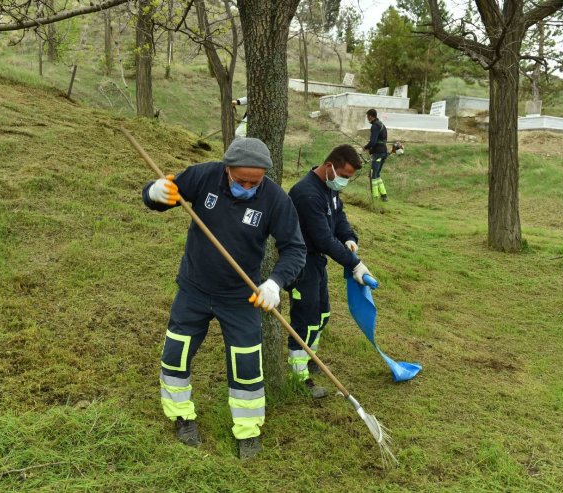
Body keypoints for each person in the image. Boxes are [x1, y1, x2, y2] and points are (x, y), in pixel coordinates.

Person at [142, 138, 306, 459]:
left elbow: (295, 248)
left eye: (254, 182)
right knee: (176, 353)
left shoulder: (274, 199)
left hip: (240, 297)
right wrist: (154, 194)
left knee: (246, 364)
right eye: (240, 180)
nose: (247, 186)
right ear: (227, 168)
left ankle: (248, 432)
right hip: (194, 289)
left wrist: (275, 283)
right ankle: (181, 416)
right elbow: (164, 194)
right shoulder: (204, 176)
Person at [287, 144, 373, 398]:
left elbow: (339, 218)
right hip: (301, 262)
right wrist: (354, 263)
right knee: (306, 319)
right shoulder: (306, 194)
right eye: (344, 176)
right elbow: (323, 238)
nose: (345, 182)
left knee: (322, 314)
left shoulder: (329, 189)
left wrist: (348, 238)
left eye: (349, 178)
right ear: (329, 167)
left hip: (317, 262)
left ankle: (310, 357)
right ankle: (299, 375)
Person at [364, 108, 390, 202]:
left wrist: (366, 147)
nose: (367, 119)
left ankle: (375, 197)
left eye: (368, 117)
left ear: (371, 116)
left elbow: (373, 142)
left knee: (373, 175)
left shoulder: (375, 126)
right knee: (377, 174)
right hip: (384, 152)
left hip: (378, 154)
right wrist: (371, 151)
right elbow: (381, 141)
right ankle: (384, 196)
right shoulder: (382, 125)